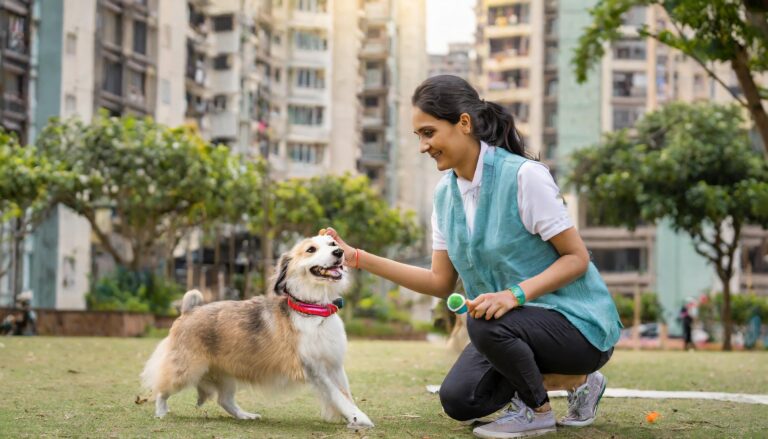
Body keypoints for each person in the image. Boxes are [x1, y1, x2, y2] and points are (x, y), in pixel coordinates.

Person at [322, 75, 621, 438]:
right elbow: (439, 282)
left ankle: (537, 411)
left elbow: (576, 259)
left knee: (483, 325)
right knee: (459, 399)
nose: (423, 146)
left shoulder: (525, 177)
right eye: (418, 136)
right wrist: (357, 257)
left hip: (576, 326)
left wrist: (514, 295)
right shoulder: (445, 196)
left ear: (464, 123)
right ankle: (581, 384)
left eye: (429, 133)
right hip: (506, 328)